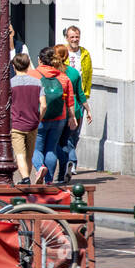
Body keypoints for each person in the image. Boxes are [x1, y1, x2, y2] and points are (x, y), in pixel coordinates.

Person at [29, 45, 77, 183]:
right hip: (59, 118)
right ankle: (49, 181)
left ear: (39, 60)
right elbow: (70, 101)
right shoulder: (63, 77)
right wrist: (72, 117)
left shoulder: (33, 75)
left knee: (36, 149)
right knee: (51, 149)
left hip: (39, 118)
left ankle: (40, 168)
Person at [61, 25, 93, 178]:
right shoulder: (62, 53)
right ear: (67, 38)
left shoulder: (85, 53)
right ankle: (71, 160)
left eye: (77, 36)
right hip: (66, 98)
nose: (75, 39)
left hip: (80, 97)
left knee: (75, 133)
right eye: (72, 37)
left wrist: (86, 96)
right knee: (67, 132)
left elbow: (88, 74)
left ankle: (70, 161)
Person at [9, 52, 46, 183]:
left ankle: (25, 179)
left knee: (20, 154)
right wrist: (38, 119)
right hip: (33, 123)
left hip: (17, 124)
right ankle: (27, 179)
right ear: (28, 65)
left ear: (14, 66)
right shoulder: (37, 82)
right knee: (29, 155)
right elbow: (44, 105)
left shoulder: (10, 84)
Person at [53, 42, 86, 181]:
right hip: (75, 110)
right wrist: (88, 110)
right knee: (67, 140)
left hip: (59, 110)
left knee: (55, 143)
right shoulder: (73, 72)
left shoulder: (53, 72)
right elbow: (80, 93)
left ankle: (60, 171)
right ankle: (68, 164)